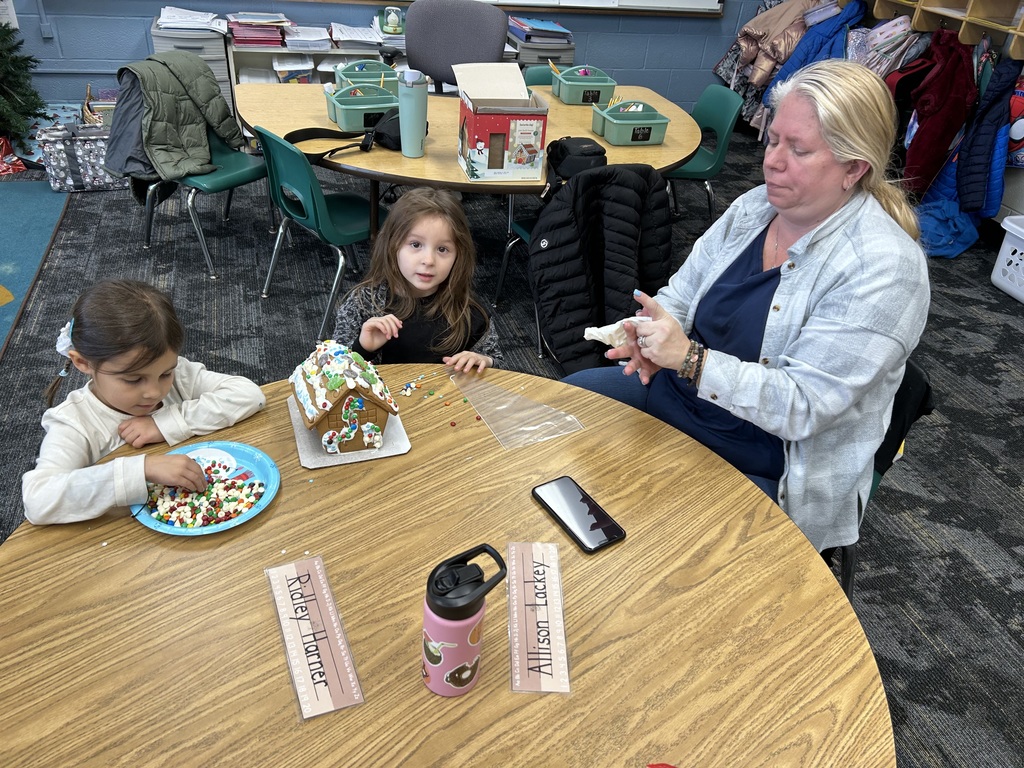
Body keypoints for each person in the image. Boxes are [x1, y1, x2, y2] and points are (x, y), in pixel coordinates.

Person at [563, 59, 930, 553]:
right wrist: (650, 330)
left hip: (765, 460)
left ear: (854, 169)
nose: (772, 161)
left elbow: (801, 408)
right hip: (677, 397)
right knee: (553, 421)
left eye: (798, 149)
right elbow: (682, 294)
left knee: (660, 554)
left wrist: (690, 360)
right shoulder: (756, 207)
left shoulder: (884, 269)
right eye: (773, 139)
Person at [22, 279, 266, 525]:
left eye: (164, 374)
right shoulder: (74, 422)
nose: (154, 392)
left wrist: (164, 423)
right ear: (83, 363)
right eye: (133, 379)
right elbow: (37, 500)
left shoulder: (177, 374)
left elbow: (248, 395)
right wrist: (140, 469)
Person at [332, 187, 501, 372]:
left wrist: (485, 362)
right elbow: (331, 374)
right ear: (392, 245)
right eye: (415, 244)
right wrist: (362, 349)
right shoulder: (363, 304)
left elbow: (499, 368)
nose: (428, 261)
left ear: (458, 256)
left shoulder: (470, 313)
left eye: (442, 249)